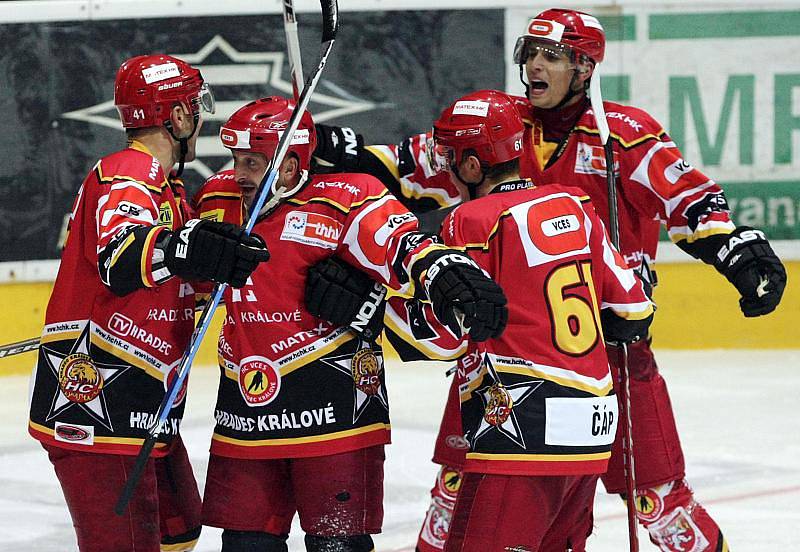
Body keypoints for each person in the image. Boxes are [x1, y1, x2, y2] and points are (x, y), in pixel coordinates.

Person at [308, 9, 787, 551]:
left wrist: (736, 253)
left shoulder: (624, 136)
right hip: (502, 350)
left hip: (610, 353)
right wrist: (310, 139)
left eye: (552, 56)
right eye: (530, 53)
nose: (534, 65)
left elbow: (692, 202)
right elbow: (403, 166)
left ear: (585, 67)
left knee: (661, 508)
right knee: (454, 492)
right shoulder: (500, 127)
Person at [315, 89, 654, 550]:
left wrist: (369, 307)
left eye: (450, 156)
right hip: (594, 430)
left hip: (522, 426)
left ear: (473, 166)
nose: (445, 166)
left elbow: (442, 340)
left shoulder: (471, 220)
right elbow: (633, 311)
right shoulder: (576, 204)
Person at [196, 96, 508, 552]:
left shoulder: (350, 197)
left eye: (253, 162)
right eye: (235, 160)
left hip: (335, 410)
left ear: (288, 164)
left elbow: (402, 243)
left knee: (338, 545)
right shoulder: (218, 198)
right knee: (245, 545)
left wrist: (441, 268)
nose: (238, 174)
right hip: (244, 411)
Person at [26, 54, 270, 552]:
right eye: (194, 106)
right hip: (99, 404)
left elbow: (172, 277)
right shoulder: (129, 173)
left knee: (178, 531)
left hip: (142, 400)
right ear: (177, 116)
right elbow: (121, 257)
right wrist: (189, 247)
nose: (200, 117)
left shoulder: (166, 189)